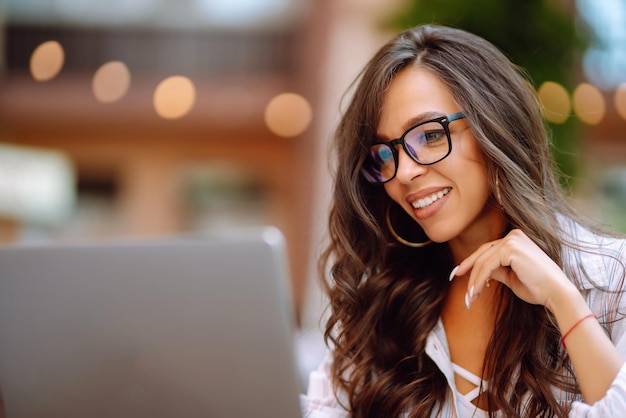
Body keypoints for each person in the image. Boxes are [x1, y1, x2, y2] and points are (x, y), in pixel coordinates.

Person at [300, 24, 626, 417]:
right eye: (384, 154)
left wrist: (564, 300)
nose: (403, 173)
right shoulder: (384, 306)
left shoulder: (610, 279)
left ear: (495, 125)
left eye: (430, 135)